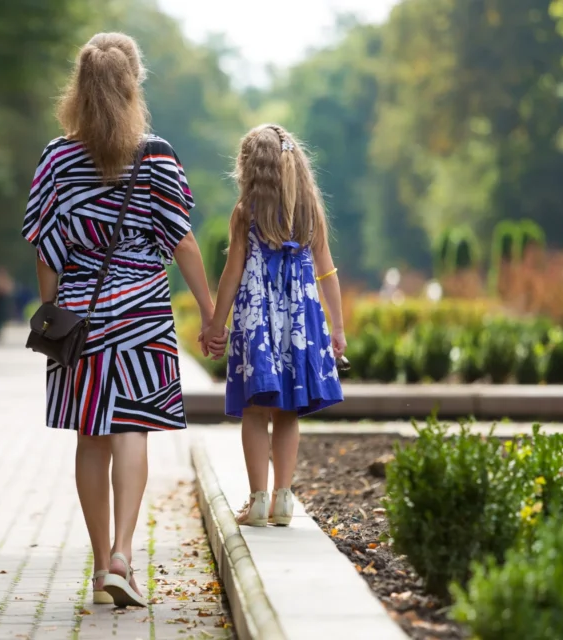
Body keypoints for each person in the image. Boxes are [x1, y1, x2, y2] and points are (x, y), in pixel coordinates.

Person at [22, 33, 216, 608]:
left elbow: (44, 246)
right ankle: (124, 558)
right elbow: (181, 241)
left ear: (79, 88)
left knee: (92, 434)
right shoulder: (155, 154)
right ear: (133, 84)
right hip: (143, 315)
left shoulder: (57, 157)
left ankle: (100, 560)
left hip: (79, 314)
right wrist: (210, 311)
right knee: (132, 427)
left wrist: (54, 311)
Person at [202, 124, 346, 528]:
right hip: (301, 322)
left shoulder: (245, 213)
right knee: (288, 412)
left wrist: (216, 325)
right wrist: (337, 328)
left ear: (250, 169)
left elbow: (232, 274)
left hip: (256, 321)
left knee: (254, 409)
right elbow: (328, 272)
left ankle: (258, 500)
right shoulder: (310, 211)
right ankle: (285, 498)